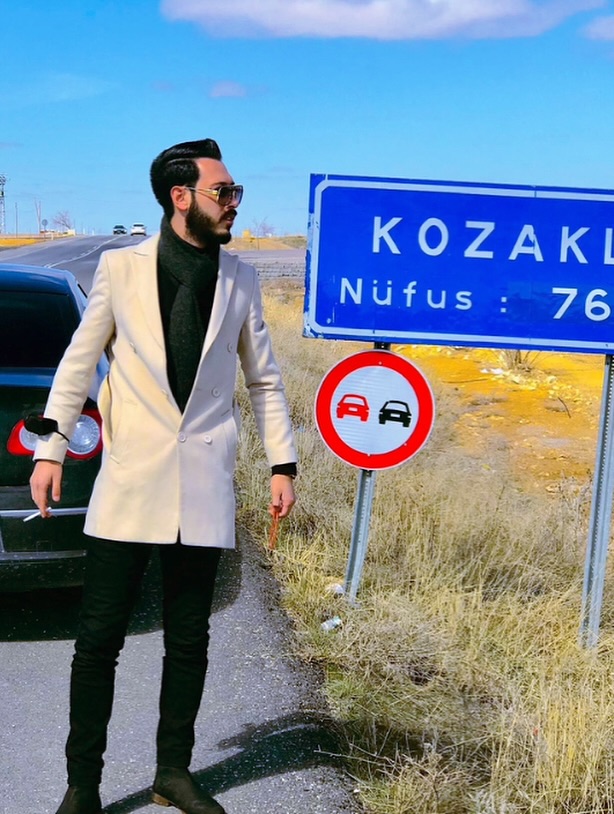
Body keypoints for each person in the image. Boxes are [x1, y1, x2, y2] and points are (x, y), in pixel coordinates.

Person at [30, 138, 297, 814]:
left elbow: (264, 380)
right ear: (181, 197)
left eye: (235, 192)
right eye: (223, 192)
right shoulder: (121, 270)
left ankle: (172, 772)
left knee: (189, 640)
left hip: (203, 480)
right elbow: (77, 364)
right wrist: (51, 448)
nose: (234, 203)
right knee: (98, 642)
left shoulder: (240, 279)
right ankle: (82, 786)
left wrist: (282, 462)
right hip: (130, 482)